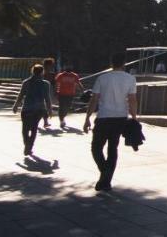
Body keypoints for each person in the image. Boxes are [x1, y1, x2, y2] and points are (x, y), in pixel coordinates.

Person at [83, 51, 138, 192]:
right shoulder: (130, 79)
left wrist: (87, 118)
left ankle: (104, 174)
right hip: (120, 117)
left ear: (111, 63)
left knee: (96, 148)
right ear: (124, 63)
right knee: (112, 148)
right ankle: (106, 177)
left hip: (103, 117)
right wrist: (134, 116)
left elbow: (94, 99)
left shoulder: (103, 78)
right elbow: (132, 99)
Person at [12, 64, 52, 157]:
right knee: (34, 129)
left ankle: (27, 144)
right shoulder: (46, 84)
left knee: (25, 129)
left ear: (32, 71)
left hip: (27, 108)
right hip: (39, 110)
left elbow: (21, 95)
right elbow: (47, 99)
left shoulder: (26, 82)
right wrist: (49, 110)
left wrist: (15, 106)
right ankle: (29, 147)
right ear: (42, 72)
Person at [53, 64, 82, 129]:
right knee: (61, 107)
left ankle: (63, 117)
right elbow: (56, 83)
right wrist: (55, 91)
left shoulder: (74, 75)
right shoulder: (60, 75)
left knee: (67, 107)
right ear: (64, 68)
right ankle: (61, 120)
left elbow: (78, 83)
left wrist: (82, 89)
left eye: (69, 67)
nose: (68, 68)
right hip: (61, 94)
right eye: (67, 67)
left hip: (70, 94)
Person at [41, 58, 57, 129]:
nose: (51, 66)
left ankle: (45, 121)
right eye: (50, 65)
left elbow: (54, 84)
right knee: (44, 107)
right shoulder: (41, 73)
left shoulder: (52, 74)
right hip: (41, 91)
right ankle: (45, 121)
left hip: (49, 91)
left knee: (46, 107)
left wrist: (55, 91)